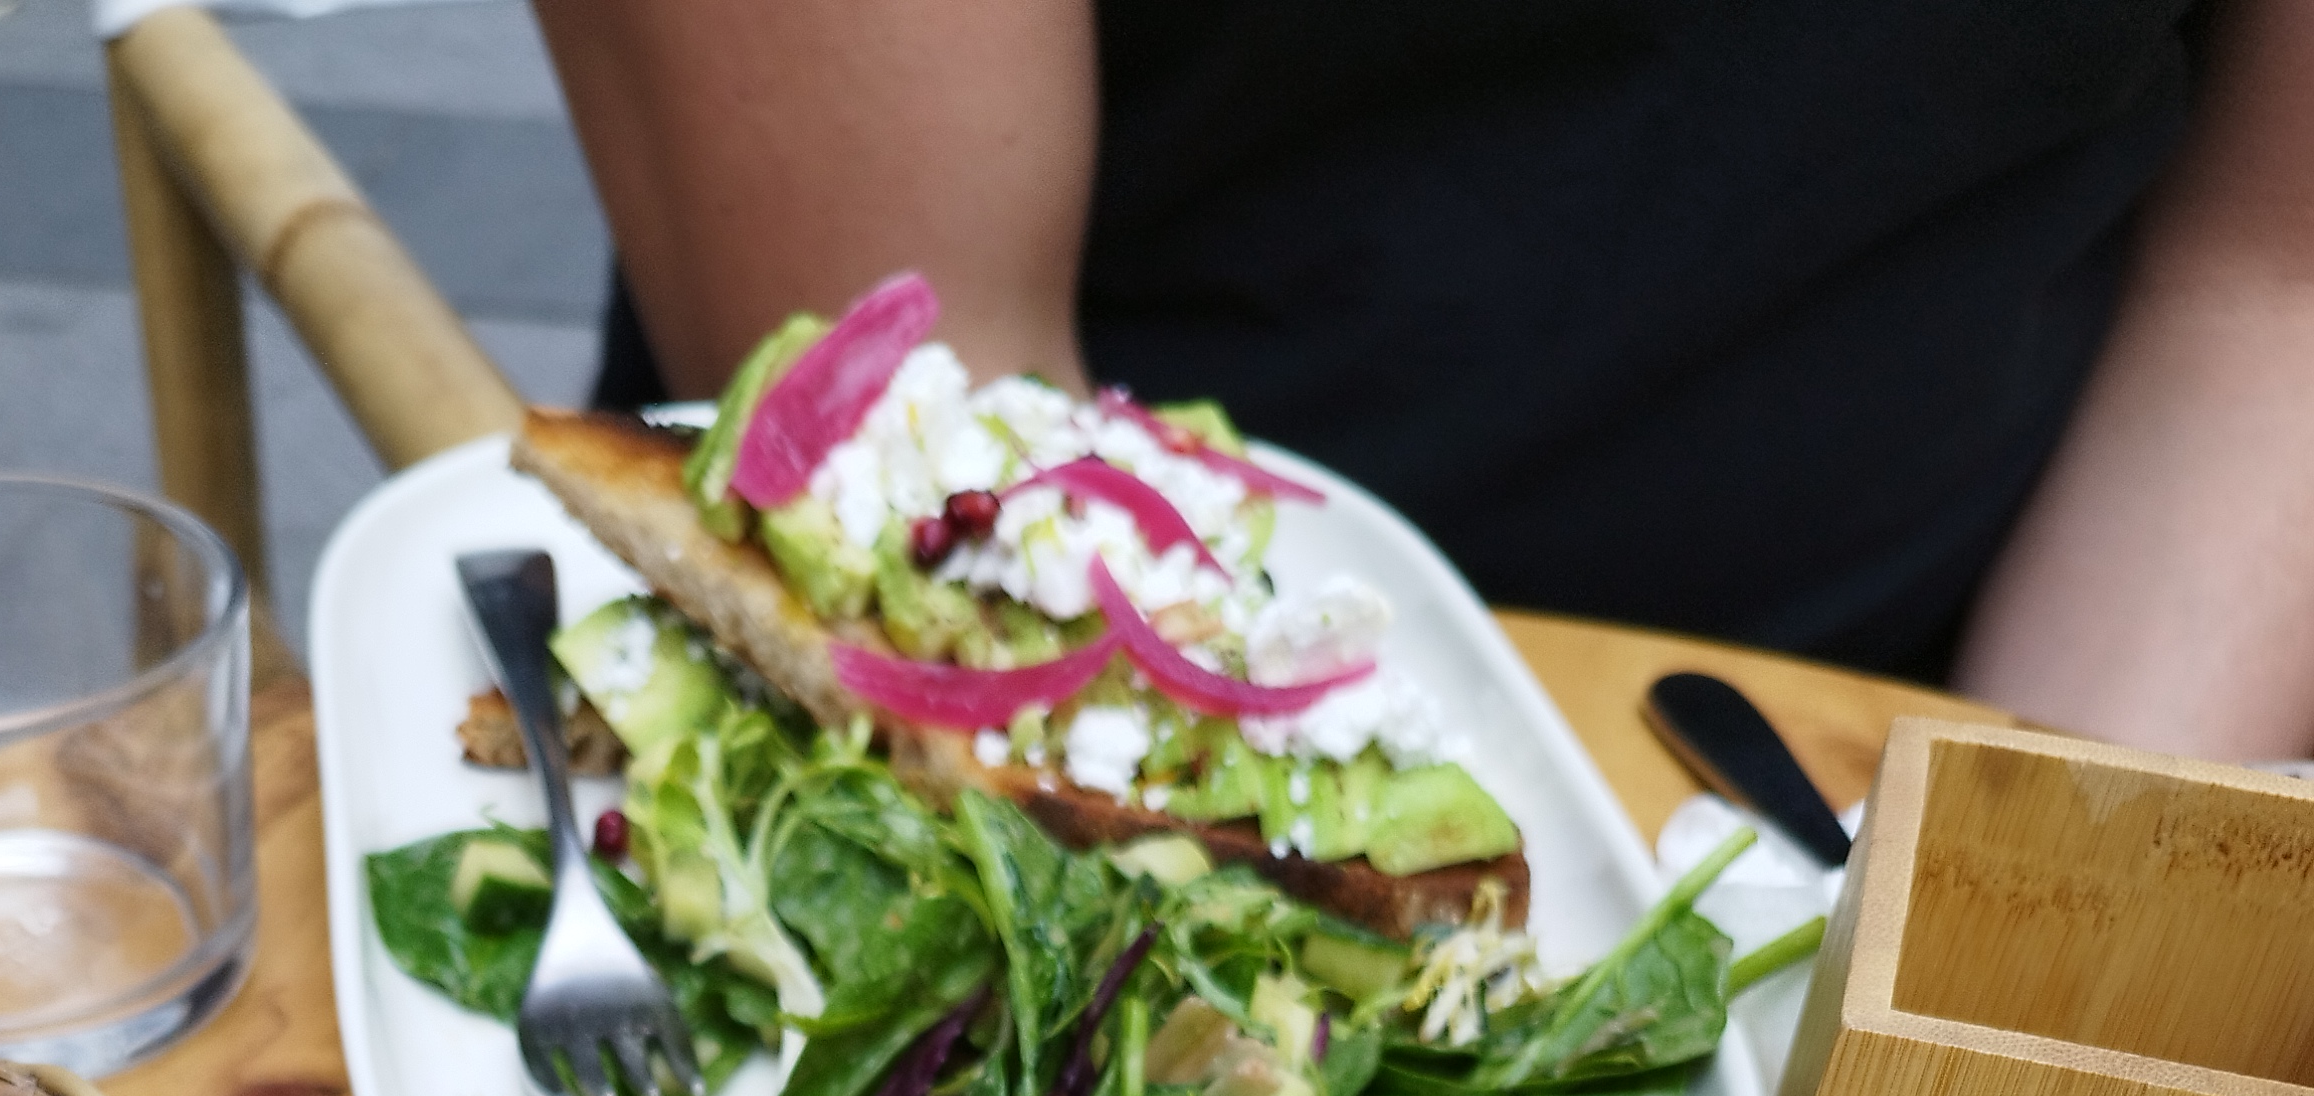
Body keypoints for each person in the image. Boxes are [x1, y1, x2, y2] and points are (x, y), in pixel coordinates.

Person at [532, 0, 2314, 758]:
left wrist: (2009, 973)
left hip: (1928, 721)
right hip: (1081, 724)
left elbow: (2273, 285)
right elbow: (937, 420)